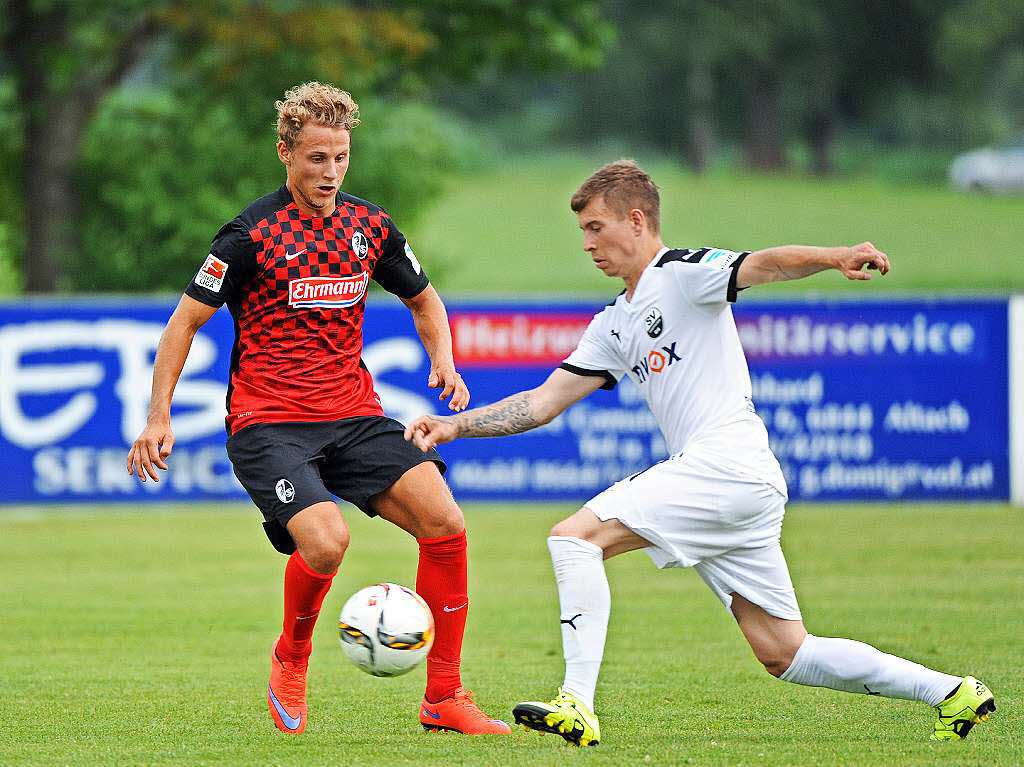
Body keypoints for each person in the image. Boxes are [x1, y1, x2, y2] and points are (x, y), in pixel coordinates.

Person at [404, 159, 996, 746]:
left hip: (727, 465)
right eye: (583, 231)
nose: (588, 243)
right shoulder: (613, 324)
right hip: (737, 483)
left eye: (595, 228)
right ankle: (950, 691)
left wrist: (834, 256)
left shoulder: (682, 273)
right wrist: (455, 428)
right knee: (785, 652)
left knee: (573, 539)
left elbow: (762, 265)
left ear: (636, 221)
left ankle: (576, 703)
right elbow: (542, 403)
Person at [127, 82, 510, 737]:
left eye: (340, 158)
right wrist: (158, 416)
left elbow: (425, 300)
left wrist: (442, 358)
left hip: (355, 416)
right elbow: (182, 325)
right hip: (267, 425)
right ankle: (291, 657)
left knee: (446, 521)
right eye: (315, 159)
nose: (330, 172)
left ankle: (444, 695)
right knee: (329, 541)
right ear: (285, 154)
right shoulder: (249, 235)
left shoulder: (371, 227)